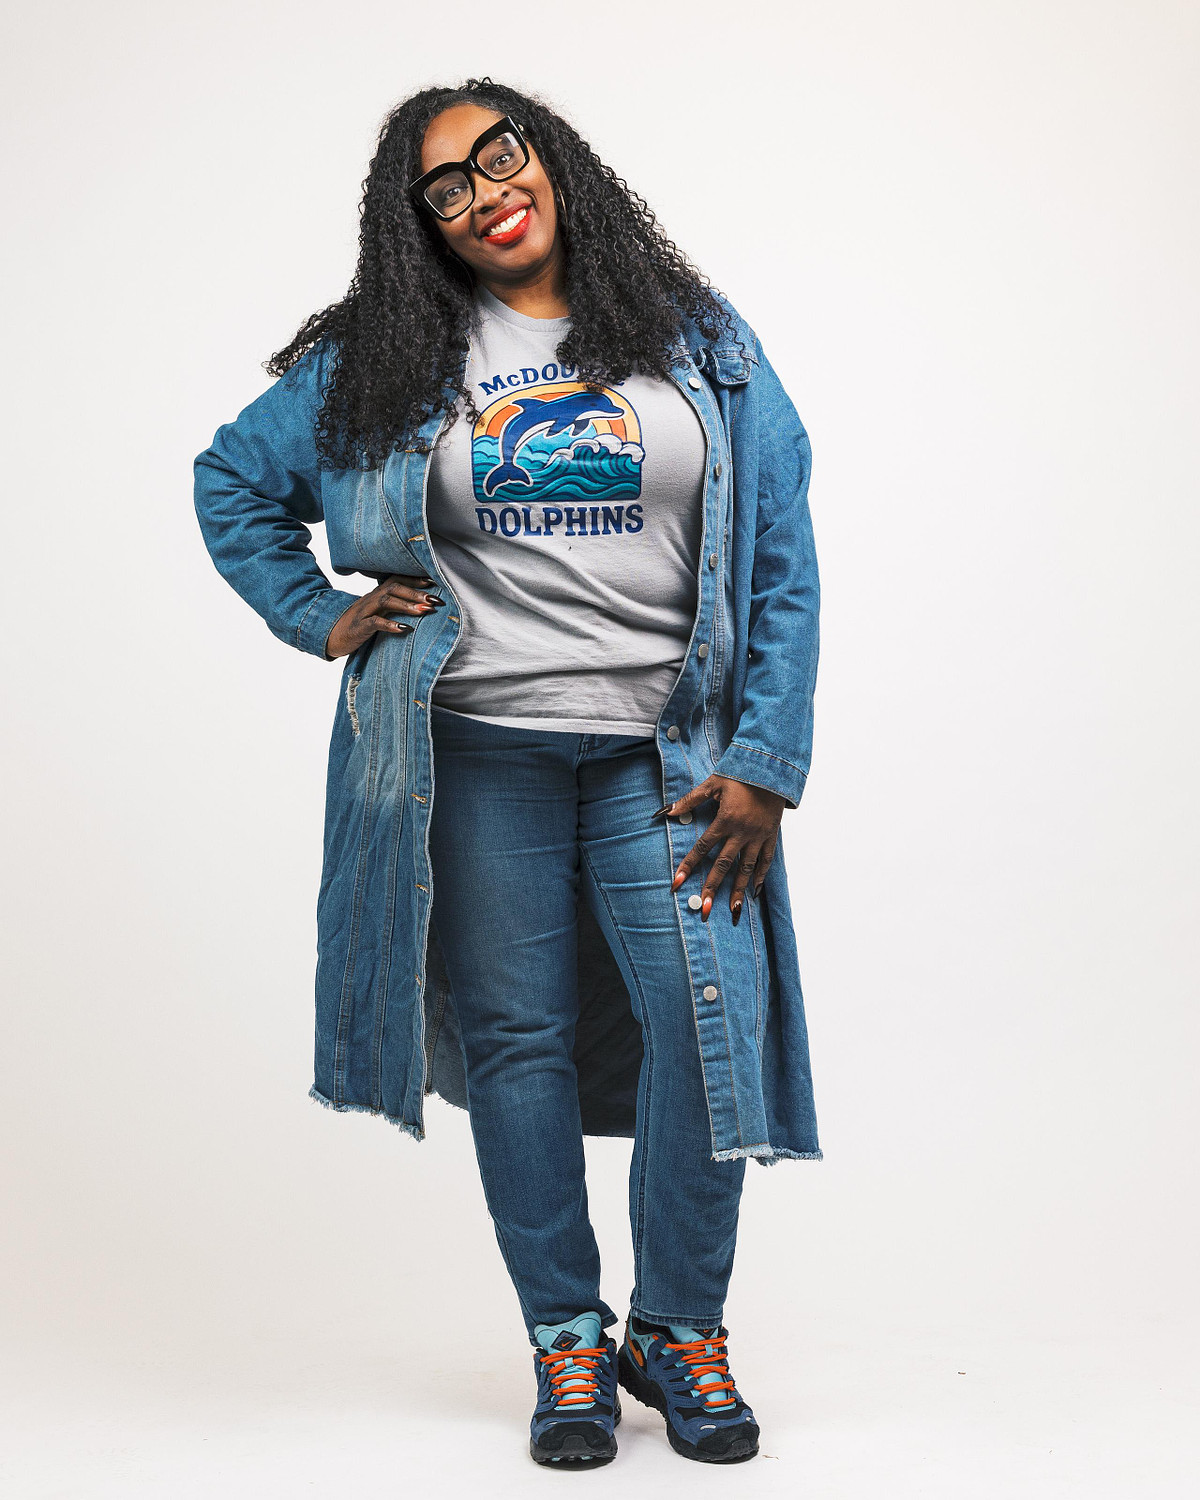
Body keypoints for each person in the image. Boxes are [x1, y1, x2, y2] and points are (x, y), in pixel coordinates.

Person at [194, 77, 822, 1470]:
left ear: (553, 159)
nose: (486, 193)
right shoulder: (384, 358)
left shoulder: (696, 335)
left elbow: (777, 552)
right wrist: (323, 614)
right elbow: (232, 483)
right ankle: (565, 1337)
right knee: (520, 1043)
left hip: (668, 760)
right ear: (420, 224)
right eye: (447, 187)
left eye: (501, 156)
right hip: (473, 758)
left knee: (701, 1026)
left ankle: (678, 1327)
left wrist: (768, 759)